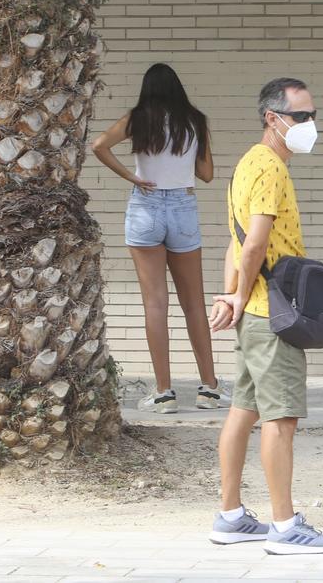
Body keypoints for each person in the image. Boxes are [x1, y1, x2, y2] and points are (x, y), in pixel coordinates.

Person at [206, 77, 323, 555]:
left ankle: (230, 516)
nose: (310, 125)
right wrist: (241, 297)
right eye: (301, 117)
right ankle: (285, 527)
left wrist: (229, 295)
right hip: (271, 316)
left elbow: (235, 239)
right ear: (273, 118)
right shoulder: (270, 169)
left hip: (254, 315)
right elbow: (256, 242)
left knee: (243, 411)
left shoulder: (248, 163)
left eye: (312, 115)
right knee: (280, 419)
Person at [91, 63, 229, 413]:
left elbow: (99, 145)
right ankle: (209, 389)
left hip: (145, 207)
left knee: (155, 303)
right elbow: (207, 174)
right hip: (182, 205)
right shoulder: (194, 120)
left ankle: (164, 393)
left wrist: (132, 177)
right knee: (194, 303)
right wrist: (183, 160)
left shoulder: (138, 118)